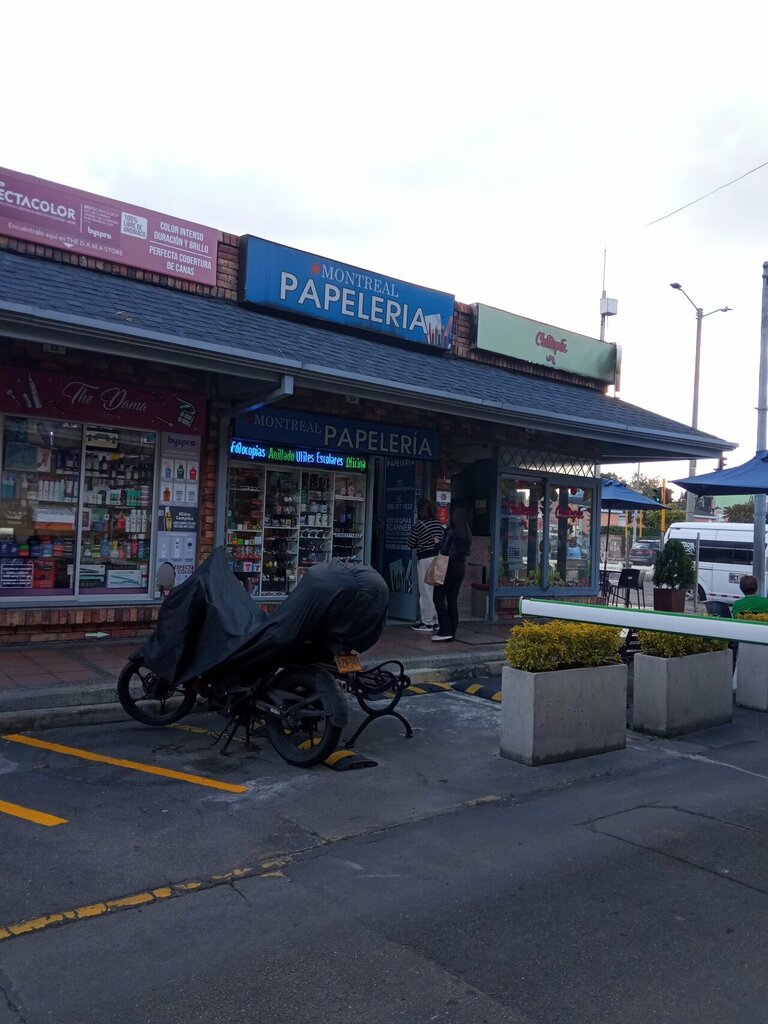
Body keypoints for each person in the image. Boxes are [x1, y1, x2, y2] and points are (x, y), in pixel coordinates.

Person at [432, 506, 472, 642]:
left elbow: (443, 550)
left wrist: (437, 543)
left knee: (438, 598)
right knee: (452, 600)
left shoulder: (451, 531)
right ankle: (452, 631)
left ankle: (445, 630)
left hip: (447, 566)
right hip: (460, 567)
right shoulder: (467, 533)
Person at [407, 498, 445, 633]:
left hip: (426, 559)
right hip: (439, 559)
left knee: (426, 591)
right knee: (436, 591)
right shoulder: (438, 524)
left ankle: (427, 622)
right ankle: (437, 621)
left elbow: (411, 543)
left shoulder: (419, 525)